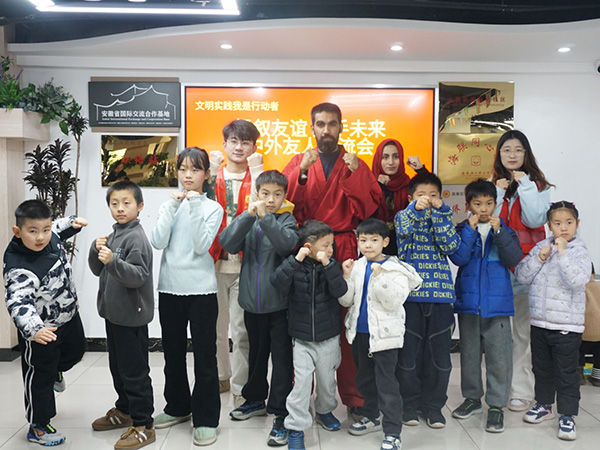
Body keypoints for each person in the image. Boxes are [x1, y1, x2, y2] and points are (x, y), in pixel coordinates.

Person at [282, 102, 382, 417]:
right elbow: (284, 206)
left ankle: (354, 397)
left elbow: (368, 209)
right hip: (309, 249)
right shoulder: (299, 161)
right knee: (307, 322)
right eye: (320, 124)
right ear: (312, 127)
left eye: (332, 124)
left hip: (345, 246)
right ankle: (302, 399)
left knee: (347, 322)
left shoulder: (354, 162)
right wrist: (301, 173)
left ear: (340, 126)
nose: (326, 130)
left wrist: (356, 174)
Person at [150, 147, 224, 446]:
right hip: (169, 288)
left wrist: (192, 205)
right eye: (183, 169)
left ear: (206, 174)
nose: (188, 175)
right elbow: (157, 241)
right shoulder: (169, 204)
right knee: (172, 353)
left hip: (202, 291)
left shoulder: (213, 208)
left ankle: (206, 418)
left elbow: (200, 245)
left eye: (195, 169)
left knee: (205, 357)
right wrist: (173, 206)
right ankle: (178, 407)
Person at [220, 170, 299, 447]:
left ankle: (281, 413)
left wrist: (266, 219)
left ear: (285, 196)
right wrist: (247, 216)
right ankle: (254, 400)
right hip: (251, 303)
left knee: (281, 360)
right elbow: (227, 243)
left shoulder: (287, 220)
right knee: (255, 354)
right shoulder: (250, 218)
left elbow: (287, 246)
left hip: (279, 305)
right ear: (257, 194)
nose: (271, 199)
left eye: (277, 194)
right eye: (265, 194)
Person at [3, 199, 87, 446]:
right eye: (32, 231)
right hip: (41, 330)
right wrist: (34, 329)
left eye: (45, 230)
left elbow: (57, 228)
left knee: (76, 351)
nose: (40, 237)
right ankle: (38, 425)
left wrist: (72, 223)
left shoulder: (50, 235)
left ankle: (56, 372)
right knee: (39, 377)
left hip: (68, 316)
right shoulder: (19, 266)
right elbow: (18, 302)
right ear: (18, 231)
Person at [339, 218, 422, 450]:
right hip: (360, 334)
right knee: (364, 379)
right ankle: (371, 416)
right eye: (363, 240)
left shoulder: (396, 269)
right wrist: (346, 277)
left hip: (385, 338)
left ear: (385, 242)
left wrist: (379, 278)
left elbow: (394, 301)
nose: (367, 245)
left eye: (374, 240)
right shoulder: (357, 266)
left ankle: (393, 432)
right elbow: (346, 301)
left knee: (387, 384)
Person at [448, 180, 522, 433]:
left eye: (488, 203)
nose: (483, 209)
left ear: (495, 204)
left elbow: (513, 258)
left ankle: (496, 405)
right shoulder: (462, 229)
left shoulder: (505, 230)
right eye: (477, 204)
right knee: (469, 356)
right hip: (469, 304)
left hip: (497, 305)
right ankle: (472, 399)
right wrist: (469, 232)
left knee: (499, 358)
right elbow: (458, 258)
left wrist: (499, 233)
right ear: (468, 205)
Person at [515, 201, 592, 441]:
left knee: (566, 373)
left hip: (567, 326)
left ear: (577, 224)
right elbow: (522, 276)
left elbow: (578, 280)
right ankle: (544, 405)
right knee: (541, 368)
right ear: (549, 225)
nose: (563, 228)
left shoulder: (578, 251)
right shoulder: (541, 247)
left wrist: (562, 254)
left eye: (569, 223)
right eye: (558, 223)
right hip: (540, 323)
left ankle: (567, 415)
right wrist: (539, 258)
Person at [88, 180, 155, 450]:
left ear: (140, 206)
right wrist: (95, 250)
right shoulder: (114, 234)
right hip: (113, 315)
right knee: (118, 368)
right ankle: (125, 410)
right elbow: (98, 269)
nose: (120, 208)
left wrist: (113, 261)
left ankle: (144, 425)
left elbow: (138, 276)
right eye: (114, 203)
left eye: (127, 203)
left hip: (131, 317)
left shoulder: (136, 238)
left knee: (134, 372)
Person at [270, 220, 347, 450]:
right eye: (326, 245)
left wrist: (328, 265)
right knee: (301, 384)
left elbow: (340, 291)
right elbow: (277, 282)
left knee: (326, 382)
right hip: (301, 338)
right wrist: (296, 260)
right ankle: (296, 427)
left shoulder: (332, 265)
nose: (331, 249)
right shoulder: (294, 264)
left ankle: (324, 411)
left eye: (332, 244)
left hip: (328, 337)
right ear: (308, 246)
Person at [491, 129, 553, 412]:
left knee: (521, 333)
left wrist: (525, 185)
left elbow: (535, 218)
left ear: (526, 154)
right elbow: (484, 219)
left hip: (527, 267)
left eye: (518, 150)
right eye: (506, 150)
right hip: (496, 266)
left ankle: (521, 390)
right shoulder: (492, 184)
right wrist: (498, 191)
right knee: (497, 334)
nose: (512, 155)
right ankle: (499, 389)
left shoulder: (538, 185)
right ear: (499, 154)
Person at [394, 171, 460, 429]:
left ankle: (433, 407)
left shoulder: (444, 218)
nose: (428, 199)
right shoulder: (404, 216)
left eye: (433, 195)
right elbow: (403, 229)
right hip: (410, 298)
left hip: (441, 297)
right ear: (410, 198)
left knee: (439, 357)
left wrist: (441, 214)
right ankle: (409, 405)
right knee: (408, 356)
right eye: (421, 194)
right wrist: (416, 209)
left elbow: (451, 246)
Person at [208, 119, 264, 406]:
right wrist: (208, 170)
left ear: (253, 147)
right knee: (216, 328)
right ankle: (221, 375)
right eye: (234, 141)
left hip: (246, 264)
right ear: (225, 144)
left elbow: (264, 209)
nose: (239, 147)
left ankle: (241, 386)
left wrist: (258, 171)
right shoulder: (212, 176)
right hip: (214, 263)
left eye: (245, 142)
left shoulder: (258, 177)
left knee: (242, 331)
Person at [371, 138, 429, 255]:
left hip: (405, 247)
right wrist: (378, 186)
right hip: (374, 247)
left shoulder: (408, 185)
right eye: (385, 157)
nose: (391, 162)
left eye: (396, 157)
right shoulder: (370, 184)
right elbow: (366, 216)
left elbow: (430, 195)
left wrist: (420, 170)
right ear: (378, 160)